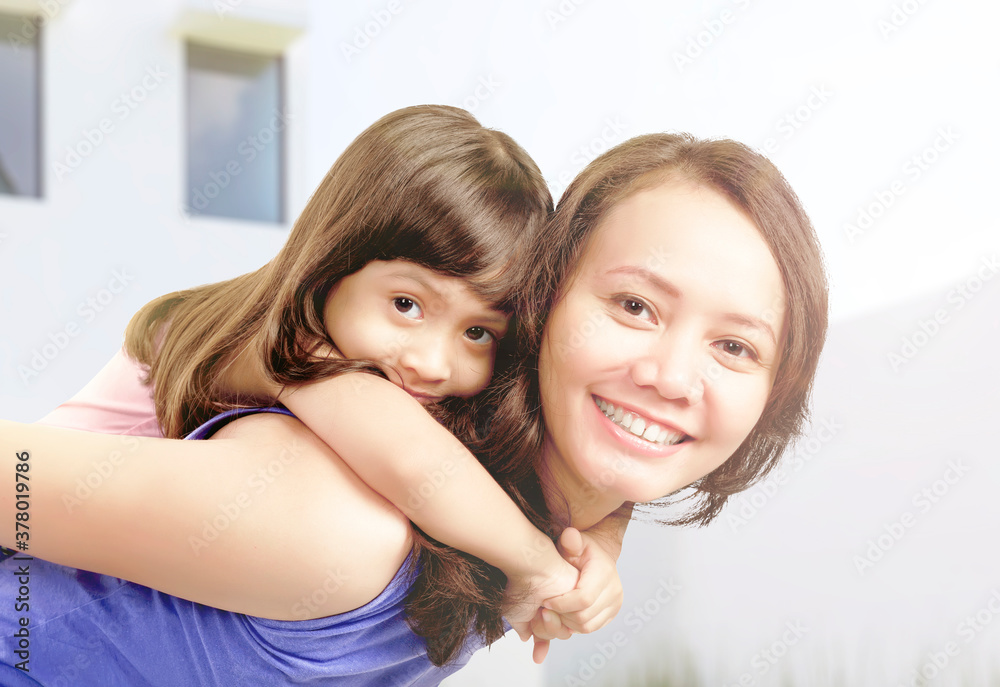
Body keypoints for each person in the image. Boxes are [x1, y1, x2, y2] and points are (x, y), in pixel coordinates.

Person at [0, 130, 828, 685]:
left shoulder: (506, 525)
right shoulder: (341, 515)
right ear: (541, 303)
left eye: (736, 347)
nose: (672, 375)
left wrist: (595, 541)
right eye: (636, 306)